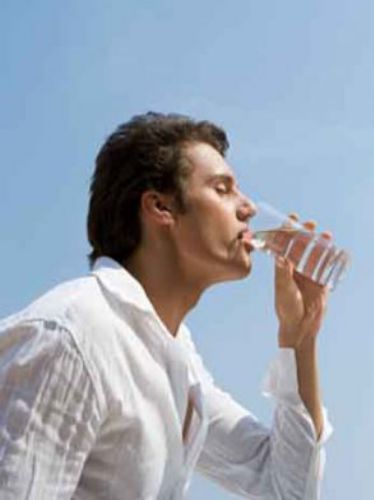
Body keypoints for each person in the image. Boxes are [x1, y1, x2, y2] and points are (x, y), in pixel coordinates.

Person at [0, 112, 333, 499]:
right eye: (222, 189)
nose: (249, 208)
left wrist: (300, 339)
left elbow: (286, 487)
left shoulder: (176, 361)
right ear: (160, 207)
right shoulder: (74, 337)